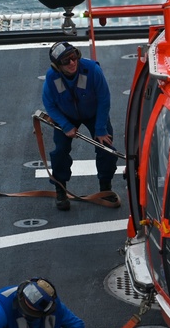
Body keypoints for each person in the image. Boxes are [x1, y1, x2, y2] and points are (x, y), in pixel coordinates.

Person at [42, 41, 118, 211]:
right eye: (66, 61)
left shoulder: (92, 70)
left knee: (106, 147)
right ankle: (60, 189)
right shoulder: (52, 78)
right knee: (60, 150)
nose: (72, 63)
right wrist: (65, 125)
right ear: (57, 66)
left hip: (94, 114)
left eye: (74, 57)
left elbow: (104, 99)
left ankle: (105, 187)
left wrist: (100, 129)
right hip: (66, 116)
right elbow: (49, 104)